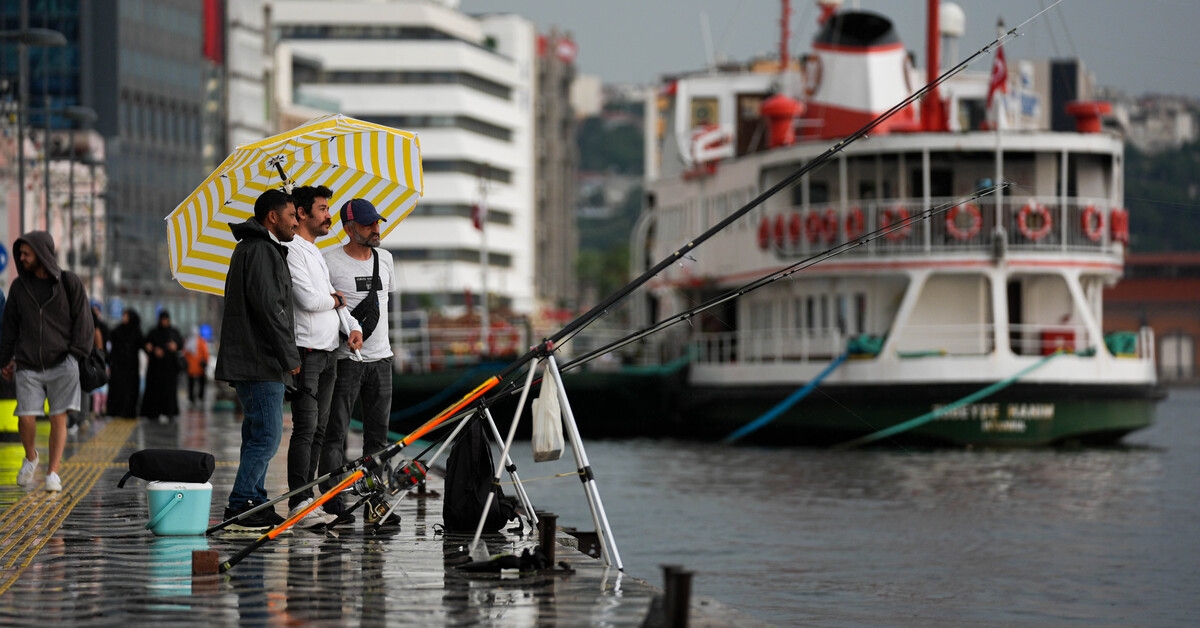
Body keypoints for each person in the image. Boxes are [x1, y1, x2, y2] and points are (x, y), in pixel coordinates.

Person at [216, 188, 301, 532]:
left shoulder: (250, 248)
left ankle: (254, 499)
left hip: (250, 360)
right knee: (267, 436)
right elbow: (271, 309)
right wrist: (289, 356)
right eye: (293, 215)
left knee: (256, 434)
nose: (297, 222)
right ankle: (241, 504)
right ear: (272, 217)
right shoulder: (263, 251)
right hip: (261, 361)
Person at [283, 185, 363, 528]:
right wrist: (335, 301)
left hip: (331, 349)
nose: (329, 214)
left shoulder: (315, 252)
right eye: (322, 208)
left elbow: (334, 300)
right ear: (302, 214)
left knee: (319, 430)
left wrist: (352, 326)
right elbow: (310, 300)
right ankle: (298, 502)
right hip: (308, 350)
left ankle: (310, 496)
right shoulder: (292, 251)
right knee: (305, 428)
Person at [318, 198, 398, 525]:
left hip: (382, 359)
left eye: (377, 222)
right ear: (349, 229)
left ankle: (374, 502)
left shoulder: (387, 259)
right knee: (336, 432)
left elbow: (385, 303)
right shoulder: (328, 262)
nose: (376, 228)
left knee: (378, 437)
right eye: (368, 224)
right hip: (345, 360)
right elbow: (324, 309)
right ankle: (333, 501)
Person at [0, 231, 95, 492]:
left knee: (58, 418)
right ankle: (31, 457)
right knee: (25, 416)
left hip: (63, 362)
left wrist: (75, 356)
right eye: (20, 253)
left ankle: (53, 473)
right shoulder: (19, 287)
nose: (21, 258)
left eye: (26, 253)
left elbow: (84, 322)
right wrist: (5, 359)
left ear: (42, 253)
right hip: (28, 364)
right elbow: (9, 327)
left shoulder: (69, 283)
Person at [140, 309, 184, 423]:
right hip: (155, 368)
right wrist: (152, 349)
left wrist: (174, 346)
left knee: (169, 392)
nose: (164, 322)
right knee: (154, 392)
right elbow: (146, 343)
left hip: (169, 369)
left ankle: (169, 412)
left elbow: (180, 343)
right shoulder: (153, 332)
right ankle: (153, 413)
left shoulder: (173, 332)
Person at [107, 308, 143, 419]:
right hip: (118, 366)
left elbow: (142, 344)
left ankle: (128, 411)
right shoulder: (117, 331)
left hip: (131, 367)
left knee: (130, 390)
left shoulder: (136, 332)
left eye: (126, 316)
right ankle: (116, 410)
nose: (124, 318)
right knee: (118, 388)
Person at [183, 326, 210, 408]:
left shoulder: (188, 343)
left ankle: (192, 398)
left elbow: (185, 355)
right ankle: (200, 397)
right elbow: (206, 353)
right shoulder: (201, 342)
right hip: (199, 368)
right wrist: (206, 361)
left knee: (191, 384)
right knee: (201, 383)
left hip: (191, 368)